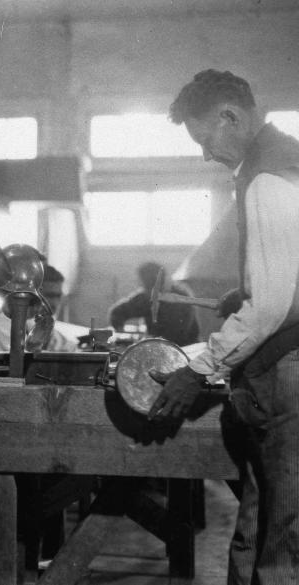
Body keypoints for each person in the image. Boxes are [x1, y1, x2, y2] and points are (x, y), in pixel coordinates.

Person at [152, 69, 299, 584]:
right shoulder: (290, 161)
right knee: (260, 522)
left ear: (230, 116)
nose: (206, 154)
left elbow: (270, 309)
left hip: (287, 374)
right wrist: (254, 287)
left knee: (282, 540)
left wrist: (198, 369)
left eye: (204, 138)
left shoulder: (266, 177)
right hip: (282, 369)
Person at [0, 264, 84, 352]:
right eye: (49, 295)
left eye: (58, 296)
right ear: (33, 293)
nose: (54, 303)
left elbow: (67, 349)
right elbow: (18, 361)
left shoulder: (43, 324)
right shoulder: (7, 320)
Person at [108, 261, 200, 345]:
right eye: (146, 287)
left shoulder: (181, 299)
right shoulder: (145, 298)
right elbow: (116, 313)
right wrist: (122, 334)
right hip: (159, 348)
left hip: (185, 350)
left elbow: (176, 336)